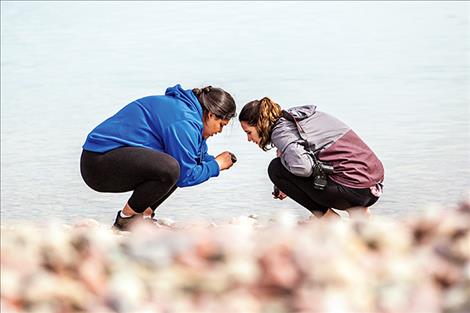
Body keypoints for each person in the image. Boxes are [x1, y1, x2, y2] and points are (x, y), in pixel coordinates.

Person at [80, 84, 237, 230]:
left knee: (176, 162)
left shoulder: (188, 113)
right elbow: (186, 176)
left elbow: (192, 157)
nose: (220, 131)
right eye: (221, 125)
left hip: (112, 157)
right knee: (172, 168)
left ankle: (144, 215)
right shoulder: (185, 121)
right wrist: (216, 165)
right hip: (97, 162)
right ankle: (127, 218)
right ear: (210, 115)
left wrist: (212, 161)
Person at [239, 97, 384, 219]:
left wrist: (285, 174)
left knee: (275, 169)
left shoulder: (280, 132)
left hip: (354, 190)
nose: (248, 139)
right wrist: (286, 182)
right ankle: (359, 212)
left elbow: (303, 168)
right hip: (372, 186)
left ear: (260, 124)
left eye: (249, 132)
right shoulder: (299, 117)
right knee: (290, 166)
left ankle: (329, 219)